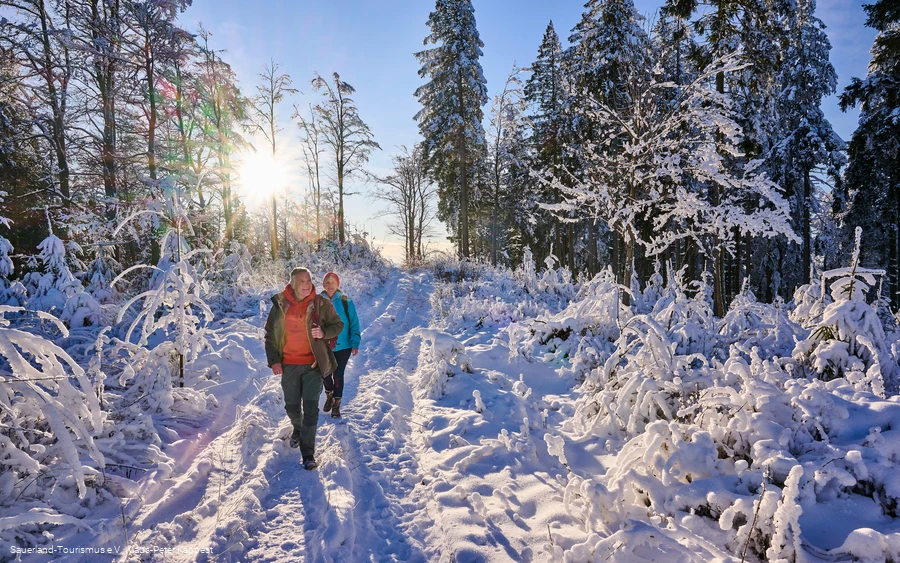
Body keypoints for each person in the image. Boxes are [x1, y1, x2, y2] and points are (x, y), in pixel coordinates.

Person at [265, 267, 343, 470]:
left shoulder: (320, 303)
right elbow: (270, 334)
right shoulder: (281, 304)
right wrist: (274, 360)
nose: (307, 284)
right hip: (289, 365)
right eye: (302, 281)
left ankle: (308, 454)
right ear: (292, 284)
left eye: (309, 280)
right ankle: (298, 428)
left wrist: (323, 332)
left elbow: (338, 325)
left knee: (310, 409)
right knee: (292, 407)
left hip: (313, 366)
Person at [320, 272, 361, 419]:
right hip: (323, 345)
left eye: (333, 282)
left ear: (338, 284)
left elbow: (354, 323)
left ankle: (336, 404)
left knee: (338, 374)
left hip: (343, 346)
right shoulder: (317, 301)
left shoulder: (346, 302)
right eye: (327, 282)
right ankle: (329, 395)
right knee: (325, 373)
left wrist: (355, 342)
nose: (330, 285)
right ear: (323, 284)